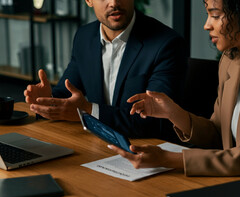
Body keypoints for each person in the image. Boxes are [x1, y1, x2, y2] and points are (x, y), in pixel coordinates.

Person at [108, 0, 240, 176]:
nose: (206, 25)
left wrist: (168, 159)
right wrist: (173, 113)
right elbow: (217, 135)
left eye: (215, 15)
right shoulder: (231, 60)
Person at [24, 0, 187, 140]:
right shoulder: (84, 36)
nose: (114, 3)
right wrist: (46, 99)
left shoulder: (166, 44)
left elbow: (157, 121)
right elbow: (68, 93)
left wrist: (88, 110)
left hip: (148, 151)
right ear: (88, 1)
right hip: (98, 145)